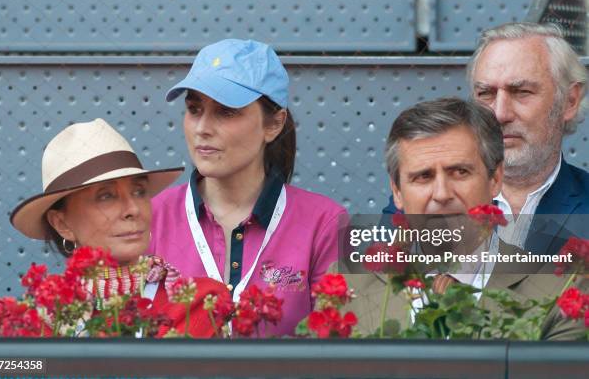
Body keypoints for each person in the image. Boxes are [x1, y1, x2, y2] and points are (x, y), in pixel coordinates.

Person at [341, 98, 587, 340]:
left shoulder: (561, 291)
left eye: (460, 172)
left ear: (495, 179)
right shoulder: (350, 284)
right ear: (397, 192)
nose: (442, 194)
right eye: (423, 176)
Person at [150, 39, 347, 336]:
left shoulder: (325, 223)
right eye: (194, 108)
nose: (202, 127)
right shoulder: (152, 216)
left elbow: (342, 351)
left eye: (226, 112)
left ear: (274, 124)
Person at [10, 118, 229, 338]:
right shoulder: (42, 324)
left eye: (139, 191)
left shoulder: (201, 302)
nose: (133, 209)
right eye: (106, 196)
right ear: (62, 224)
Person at [467, 22, 589, 255]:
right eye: (486, 94)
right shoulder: (426, 200)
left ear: (569, 101)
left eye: (522, 92)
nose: (500, 114)